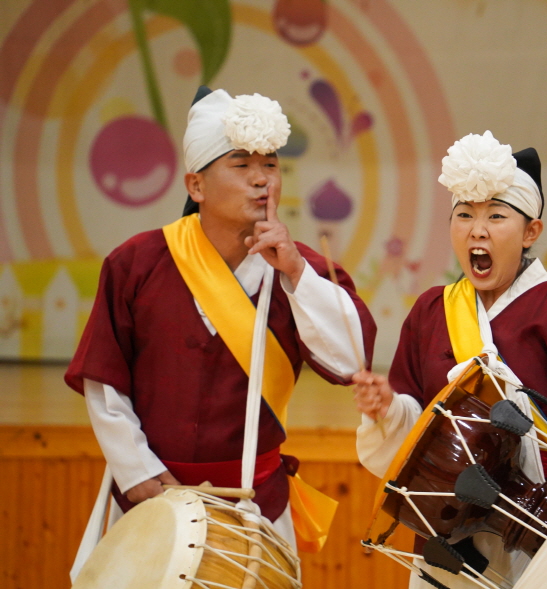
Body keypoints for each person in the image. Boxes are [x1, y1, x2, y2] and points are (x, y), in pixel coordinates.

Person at [65, 86, 376, 556]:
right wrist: (137, 472)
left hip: (255, 501)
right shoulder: (137, 263)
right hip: (150, 497)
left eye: (271, 165)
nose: (261, 180)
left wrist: (296, 273)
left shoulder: (300, 269)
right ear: (196, 186)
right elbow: (104, 380)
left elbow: (351, 361)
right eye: (242, 165)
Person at [353, 131, 547, 588]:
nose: (477, 230)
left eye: (496, 216)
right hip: (447, 535)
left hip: (539, 533)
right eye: (464, 214)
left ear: (531, 232)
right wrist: (386, 411)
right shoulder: (431, 310)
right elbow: (413, 436)